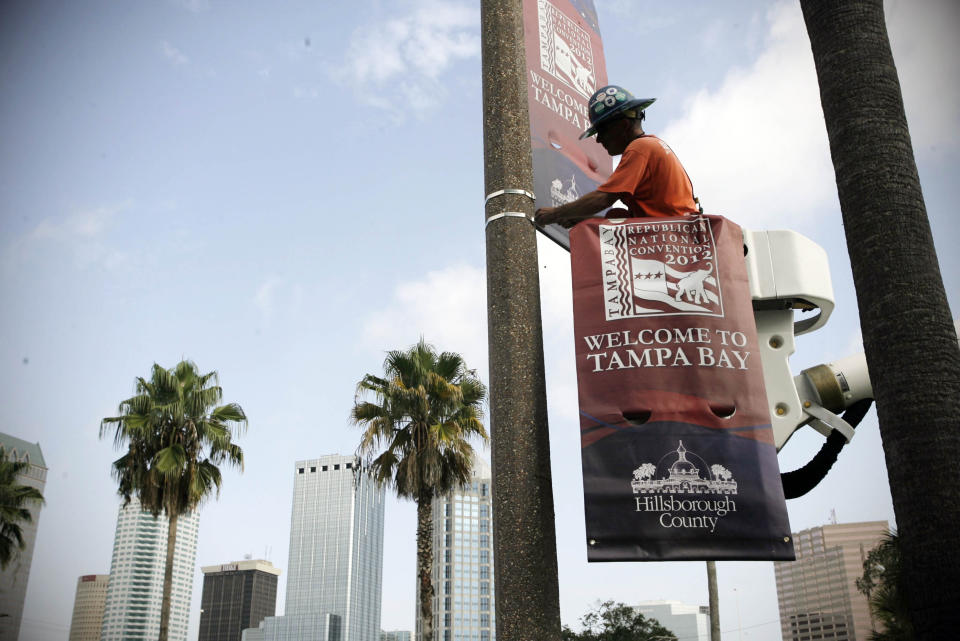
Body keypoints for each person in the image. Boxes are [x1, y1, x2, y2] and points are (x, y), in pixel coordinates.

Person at [534, 85, 698, 228]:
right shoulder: (651, 147)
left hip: (676, 238)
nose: (598, 139)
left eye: (602, 131)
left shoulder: (639, 149)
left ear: (623, 125)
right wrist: (583, 219)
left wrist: (555, 213)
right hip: (678, 237)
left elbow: (603, 198)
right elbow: (632, 222)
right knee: (615, 215)